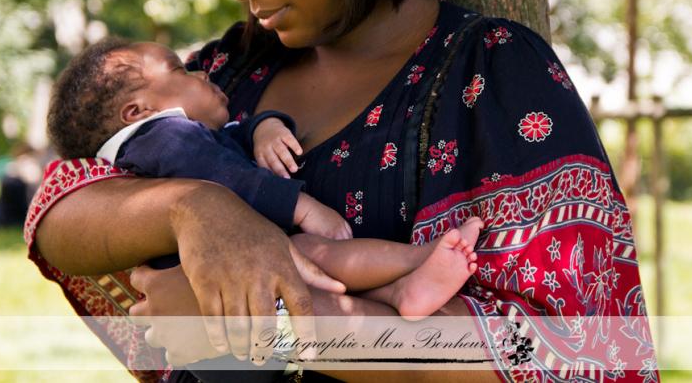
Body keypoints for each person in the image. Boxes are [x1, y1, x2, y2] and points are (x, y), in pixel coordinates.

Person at [25, 0, 658, 381]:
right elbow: (58, 213)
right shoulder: (230, 71)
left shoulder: (492, 75)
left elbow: (573, 349)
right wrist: (196, 210)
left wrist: (268, 322)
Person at [45, 35, 483, 319]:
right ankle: (419, 259)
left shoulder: (171, 141)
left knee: (321, 268)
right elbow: (222, 175)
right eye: (180, 70)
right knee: (318, 251)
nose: (202, 72)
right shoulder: (160, 141)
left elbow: (233, 137)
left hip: (248, 283)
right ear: (137, 112)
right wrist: (302, 206)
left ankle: (399, 294)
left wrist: (265, 127)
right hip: (229, 287)